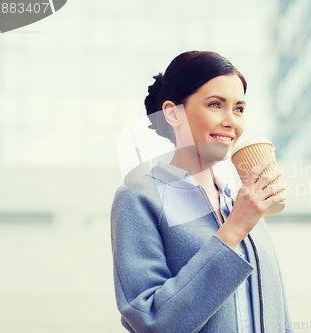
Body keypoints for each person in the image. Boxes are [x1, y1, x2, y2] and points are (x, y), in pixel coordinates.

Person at [110, 51, 293, 333]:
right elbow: (152, 321)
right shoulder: (140, 198)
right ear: (172, 113)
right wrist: (233, 230)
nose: (231, 120)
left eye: (239, 108)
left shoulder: (242, 205)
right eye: (215, 105)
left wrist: (242, 218)